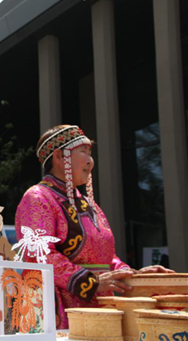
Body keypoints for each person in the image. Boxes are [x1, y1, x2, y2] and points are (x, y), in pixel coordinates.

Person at [15, 124, 173, 329]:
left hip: (99, 305)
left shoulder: (88, 204)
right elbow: (39, 255)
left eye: (91, 153)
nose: (90, 161)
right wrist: (90, 282)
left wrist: (132, 275)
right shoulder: (37, 197)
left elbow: (106, 257)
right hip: (59, 310)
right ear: (59, 157)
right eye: (83, 151)